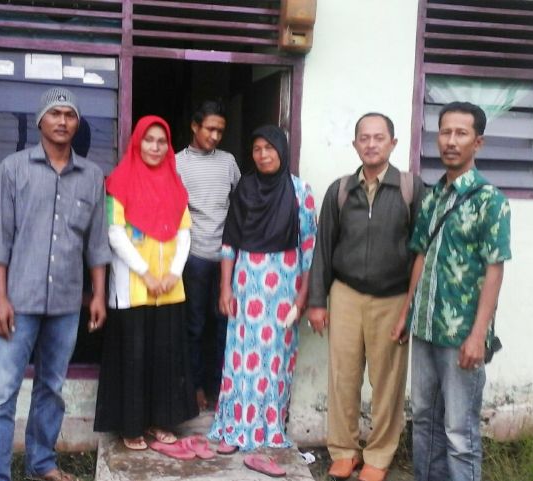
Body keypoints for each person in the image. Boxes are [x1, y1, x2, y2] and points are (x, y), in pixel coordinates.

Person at [0, 87, 111, 481]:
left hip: (66, 304)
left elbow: (97, 242)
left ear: (77, 124)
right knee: (2, 393)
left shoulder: (91, 177)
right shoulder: (13, 169)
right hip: (18, 301)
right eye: (55, 114)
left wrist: (98, 295)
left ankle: (41, 464)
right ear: (40, 121)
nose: (62, 121)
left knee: (51, 388)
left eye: (69, 115)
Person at [392, 101, 511, 481]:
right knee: (424, 420)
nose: (451, 141)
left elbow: (494, 270)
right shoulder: (432, 197)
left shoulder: (491, 200)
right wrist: (406, 314)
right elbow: (420, 256)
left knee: (460, 432)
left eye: (461, 133)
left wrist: (478, 335)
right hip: (425, 329)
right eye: (445, 132)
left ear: (478, 142)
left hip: (462, 337)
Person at [307, 113, 425, 481]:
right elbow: (323, 247)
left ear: (393, 143)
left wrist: (410, 307)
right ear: (355, 144)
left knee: (387, 381)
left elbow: (422, 252)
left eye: (379, 137)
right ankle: (344, 451)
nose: (371, 144)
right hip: (345, 294)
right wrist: (317, 301)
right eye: (364, 138)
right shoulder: (341, 190)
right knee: (343, 376)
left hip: (392, 299)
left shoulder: (411, 189)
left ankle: (378, 455)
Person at [208, 125, 317, 477]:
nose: (263, 154)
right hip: (246, 282)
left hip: (284, 286)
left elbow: (309, 248)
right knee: (241, 355)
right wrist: (225, 288)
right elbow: (229, 242)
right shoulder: (245, 189)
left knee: (273, 358)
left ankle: (266, 428)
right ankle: (234, 427)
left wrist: (303, 295)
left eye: (270, 148)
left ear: (281, 151)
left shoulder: (300, 191)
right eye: (257, 149)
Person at [94, 115, 198, 451]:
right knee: (134, 357)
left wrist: (173, 273)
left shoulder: (175, 185)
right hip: (133, 287)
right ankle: (132, 426)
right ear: (137, 143)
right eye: (148, 140)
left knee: (164, 357)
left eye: (161, 141)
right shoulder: (118, 182)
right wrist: (147, 273)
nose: (155, 147)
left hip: (168, 288)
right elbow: (114, 234)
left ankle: (160, 422)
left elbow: (184, 233)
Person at [175, 101, 241, 411]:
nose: (215, 136)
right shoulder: (177, 163)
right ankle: (196, 386)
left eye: (220, 131)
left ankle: (221, 387)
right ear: (194, 126)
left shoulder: (228, 162)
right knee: (195, 325)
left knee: (225, 324)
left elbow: (241, 203)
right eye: (210, 129)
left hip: (226, 257)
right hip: (194, 257)